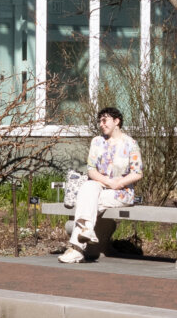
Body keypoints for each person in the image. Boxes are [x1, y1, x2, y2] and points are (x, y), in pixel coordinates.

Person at [60, 104, 144, 265]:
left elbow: (137, 173)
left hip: (121, 192)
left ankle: (76, 249)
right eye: (100, 121)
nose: (101, 124)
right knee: (87, 187)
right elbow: (91, 170)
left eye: (105, 121)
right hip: (99, 185)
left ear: (117, 121)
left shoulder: (130, 144)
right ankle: (87, 232)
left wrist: (118, 183)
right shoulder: (97, 142)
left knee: (86, 201)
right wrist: (107, 181)